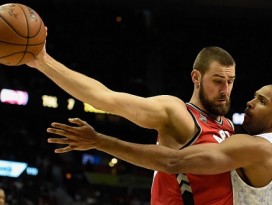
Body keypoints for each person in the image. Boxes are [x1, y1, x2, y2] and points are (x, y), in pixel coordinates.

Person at [26, 45, 236, 204]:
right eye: (217, 81)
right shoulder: (177, 113)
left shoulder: (228, 127)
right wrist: (44, 61)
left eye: (230, 81)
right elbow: (104, 98)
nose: (225, 89)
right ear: (196, 77)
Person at [46, 84, 272, 205]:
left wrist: (98, 141)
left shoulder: (255, 147)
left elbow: (172, 161)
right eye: (253, 96)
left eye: (261, 101)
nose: (249, 102)